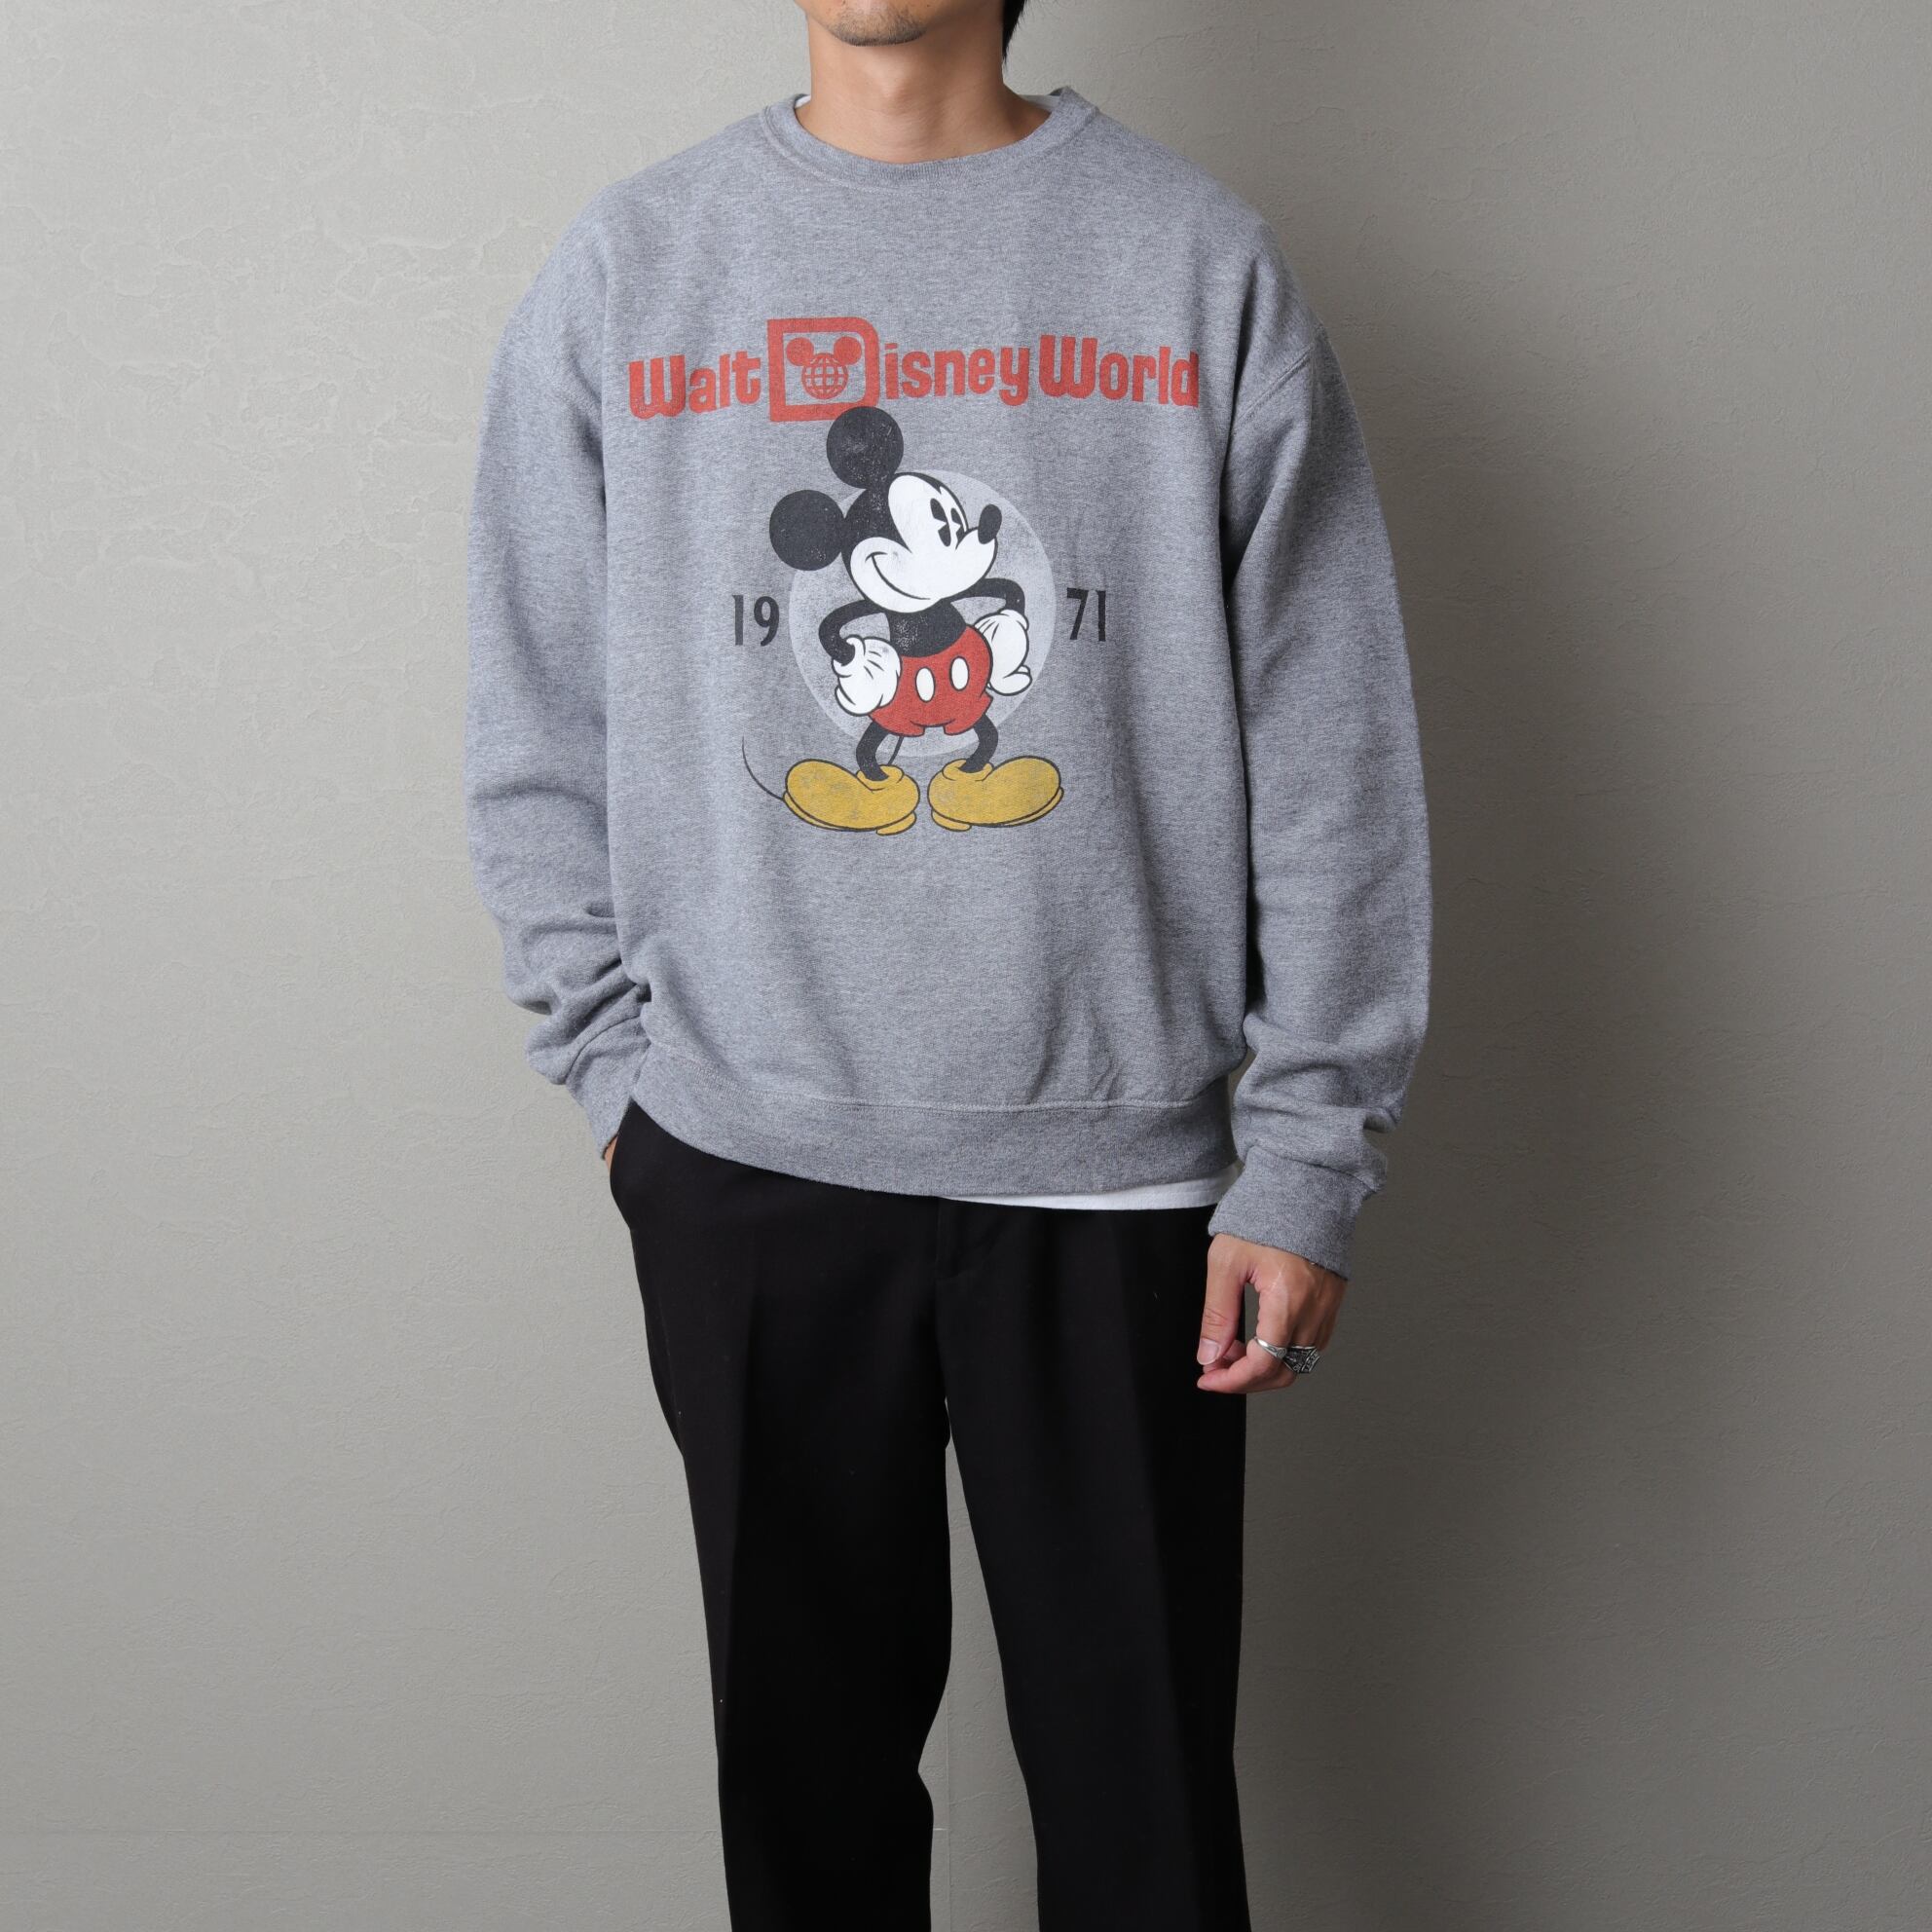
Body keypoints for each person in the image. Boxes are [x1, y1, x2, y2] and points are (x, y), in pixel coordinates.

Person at [464, 1, 1430, 1925]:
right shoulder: (636, 264)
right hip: (745, 1160)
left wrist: (1308, 1145)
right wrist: (616, 1079)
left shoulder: (1192, 260)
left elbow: (1328, 733)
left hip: (1120, 1182)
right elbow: (536, 698)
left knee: (1144, 1821)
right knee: (805, 1815)